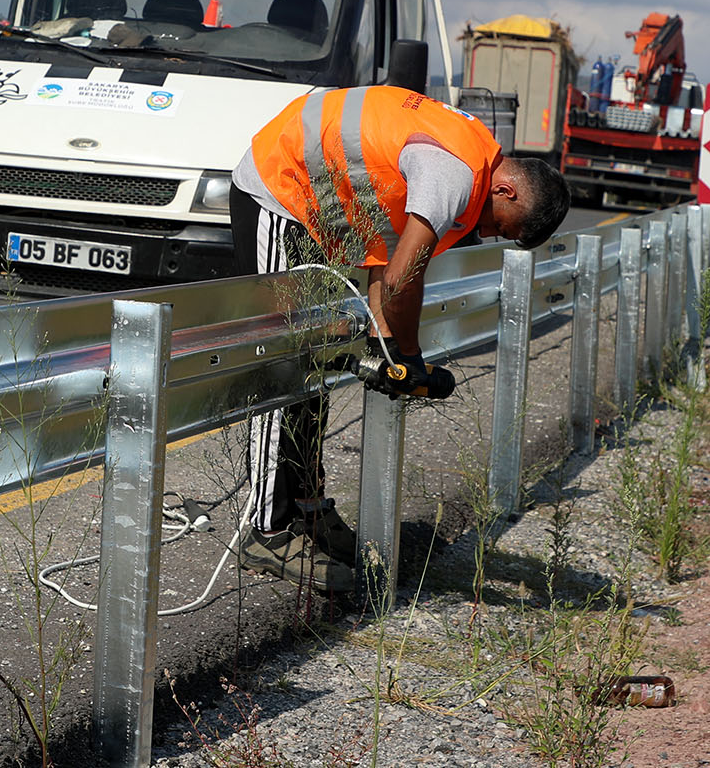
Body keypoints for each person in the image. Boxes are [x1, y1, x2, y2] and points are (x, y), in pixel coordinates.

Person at [228, 85, 572, 591]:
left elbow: (390, 263)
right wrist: (406, 357)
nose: (491, 233)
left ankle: (306, 510)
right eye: (503, 228)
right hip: (279, 189)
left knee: (312, 367)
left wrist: (391, 349)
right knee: (285, 363)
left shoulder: (470, 158)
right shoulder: (454, 174)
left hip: (313, 203)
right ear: (508, 192)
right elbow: (400, 278)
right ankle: (267, 530)